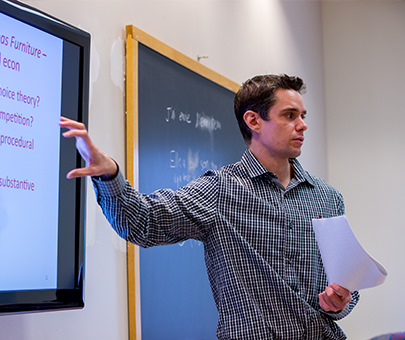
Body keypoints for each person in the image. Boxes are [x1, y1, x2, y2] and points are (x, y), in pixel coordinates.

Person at [60, 74, 359, 340]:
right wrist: (108, 172)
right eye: (290, 115)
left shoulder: (327, 198)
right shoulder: (219, 190)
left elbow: (347, 281)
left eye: (303, 115)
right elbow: (143, 223)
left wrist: (341, 300)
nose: (302, 125)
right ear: (253, 121)